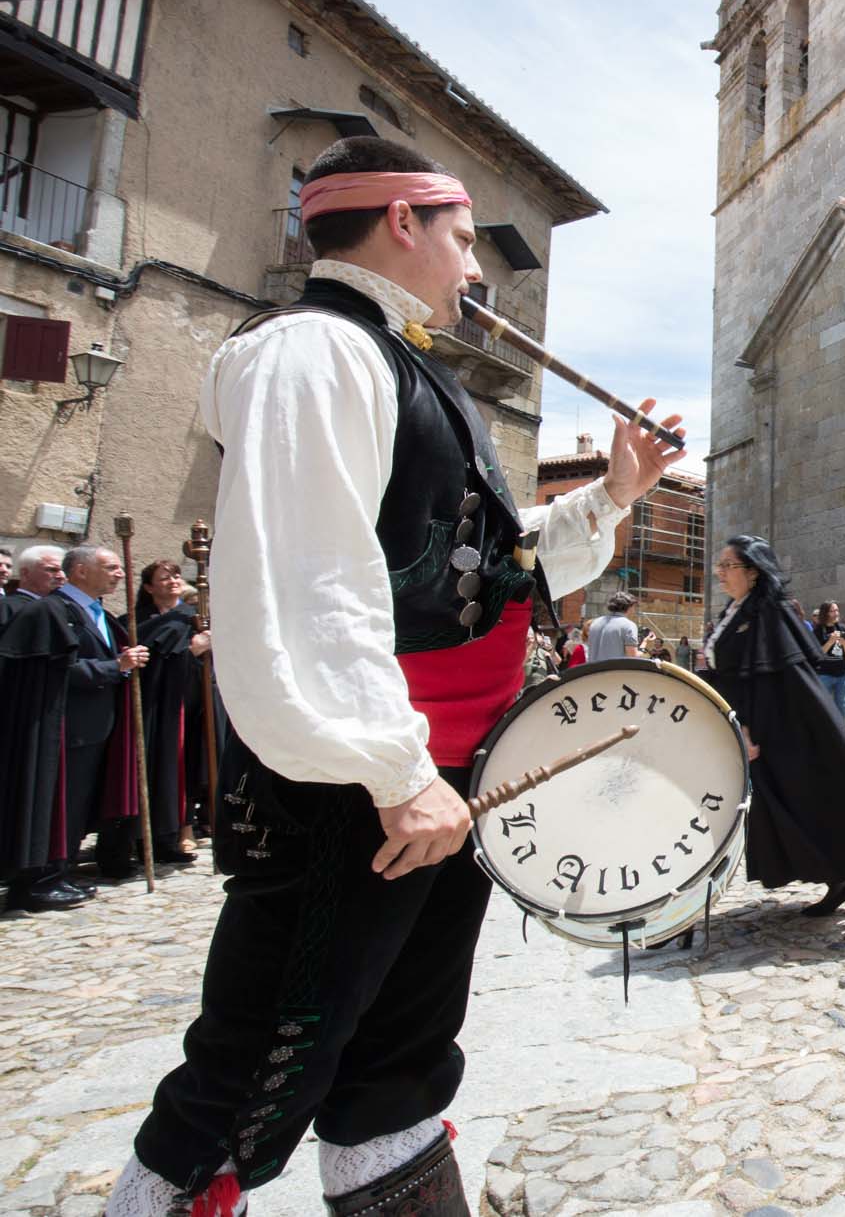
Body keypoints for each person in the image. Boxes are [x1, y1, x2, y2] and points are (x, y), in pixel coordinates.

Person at [112, 135, 681, 1217]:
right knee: (253, 1074)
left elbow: (480, 572)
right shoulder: (312, 352)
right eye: (465, 240)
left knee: (401, 1059)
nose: (477, 271)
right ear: (402, 221)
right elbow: (309, 579)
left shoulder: (406, 367)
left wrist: (612, 493)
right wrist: (389, 766)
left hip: (437, 786)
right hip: (361, 796)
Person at [703, 537, 845, 918]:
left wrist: (748, 730)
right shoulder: (737, 611)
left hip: (778, 730)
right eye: (719, 565)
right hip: (760, 728)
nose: (719, 572)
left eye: (728, 565)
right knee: (787, 805)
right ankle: (842, 879)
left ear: (753, 572)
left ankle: (844, 879)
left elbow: (765, 680)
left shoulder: (767, 612)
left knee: (803, 802)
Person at [47, 546, 148, 879]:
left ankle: (66, 867)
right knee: (64, 802)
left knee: (81, 802)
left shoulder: (95, 610)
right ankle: (51, 872)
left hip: (99, 724)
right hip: (71, 723)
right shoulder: (59, 609)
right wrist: (115, 666)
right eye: (111, 567)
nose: (119, 573)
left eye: (120, 568)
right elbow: (60, 668)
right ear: (80, 570)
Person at [0, 545, 85, 912]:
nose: (60, 576)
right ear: (27, 572)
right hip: (22, 722)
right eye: (51, 570)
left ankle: (41, 875)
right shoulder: (18, 608)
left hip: (43, 718)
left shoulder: (51, 609)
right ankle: (27, 881)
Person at [116, 560, 213, 865]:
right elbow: (141, 663)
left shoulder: (193, 620)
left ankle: (176, 832)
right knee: (149, 767)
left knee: (183, 767)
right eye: (163, 577)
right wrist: (190, 651)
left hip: (186, 704)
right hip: (151, 704)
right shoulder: (133, 621)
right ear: (148, 587)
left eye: (174, 576)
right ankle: (138, 838)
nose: (172, 580)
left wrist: (200, 650)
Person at [586, 591, 641, 663]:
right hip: (614, 672)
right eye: (634, 607)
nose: (634, 610)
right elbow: (632, 657)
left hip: (593, 672)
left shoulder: (595, 622)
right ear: (629, 607)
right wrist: (642, 653)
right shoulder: (629, 625)